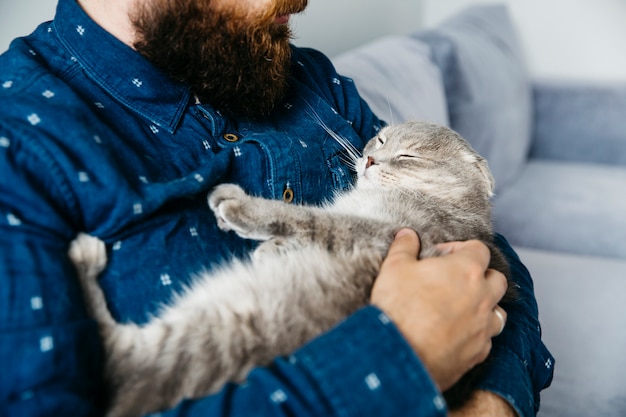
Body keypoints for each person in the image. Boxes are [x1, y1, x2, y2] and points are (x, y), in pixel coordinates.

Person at [0, 0, 554, 416]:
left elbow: (480, 251)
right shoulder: (20, 144)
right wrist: (399, 357)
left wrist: (489, 404)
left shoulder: (315, 83)